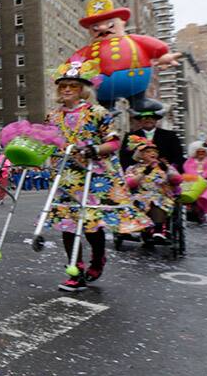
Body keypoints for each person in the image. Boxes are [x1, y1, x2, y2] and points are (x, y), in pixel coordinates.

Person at [46, 60, 150, 292]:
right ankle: (75, 270)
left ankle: (98, 259)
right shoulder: (52, 116)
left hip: (95, 178)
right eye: (62, 86)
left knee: (92, 226)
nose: (66, 89)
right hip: (66, 177)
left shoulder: (98, 112)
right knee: (68, 225)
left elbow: (113, 142)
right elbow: (47, 141)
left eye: (72, 85)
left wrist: (94, 149)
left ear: (84, 89)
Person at [124, 136, 181, 241]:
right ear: (140, 155)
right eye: (148, 151)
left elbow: (177, 180)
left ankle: (158, 230)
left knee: (156, 200)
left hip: (161, 195)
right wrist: (146, 171)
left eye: (154, 151)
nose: (152, 153)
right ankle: (136, 227)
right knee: (135, 201)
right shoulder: (133, 169)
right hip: (139, 195)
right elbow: (130, 184)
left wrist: (167, 170)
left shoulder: (165, 166)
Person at [119, 109, 184, 172]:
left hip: (165, 173)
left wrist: (171, 169)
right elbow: (124, 158)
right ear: (139, 120)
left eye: (152, 118)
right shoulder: (130, 136)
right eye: (144, 118)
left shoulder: (170, 135)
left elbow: (178, 156)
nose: (148, 120)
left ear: (156, 120)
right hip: (139, 173)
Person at [183, 142, 207, 224]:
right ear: (195, 152)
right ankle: (193, 209)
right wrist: (197, 177)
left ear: (206, 152)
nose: (201, 153)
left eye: (203, 151)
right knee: (187, 185)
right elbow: (187, 169)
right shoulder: (190, 161)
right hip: (195, 180)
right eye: (199, 151)